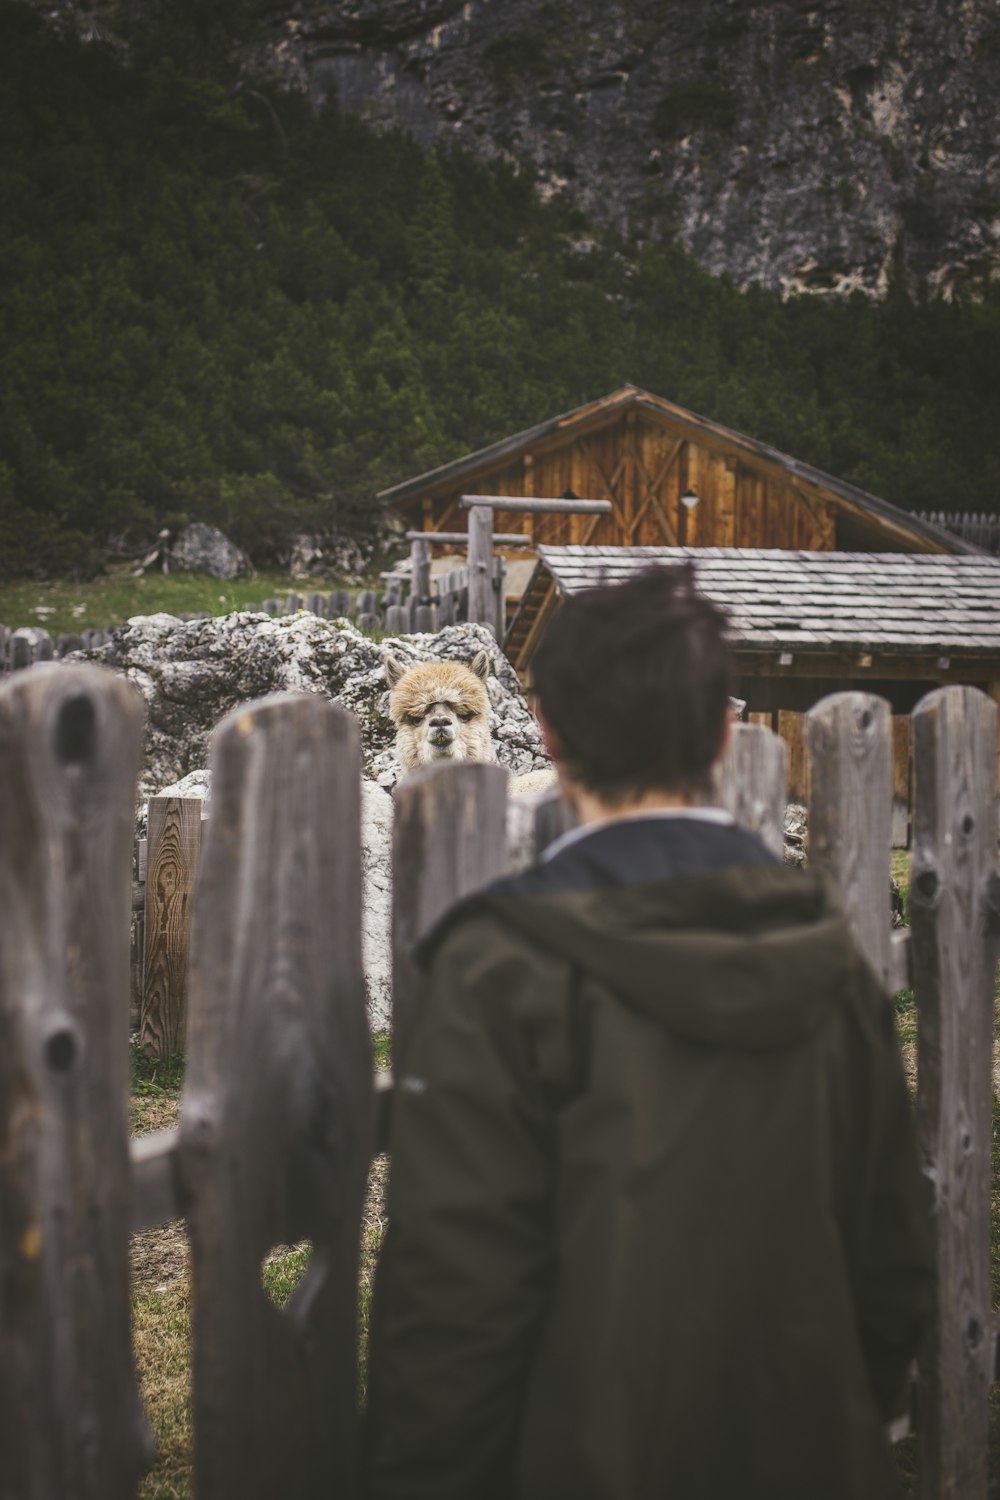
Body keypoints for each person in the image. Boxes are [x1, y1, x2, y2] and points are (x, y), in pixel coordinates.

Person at [364, 564, 933, 1500]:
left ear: (543, 730)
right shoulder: (832, 961)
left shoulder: (496, 969)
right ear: (723, 732)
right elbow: (893, 1263)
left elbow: (454, 1303)